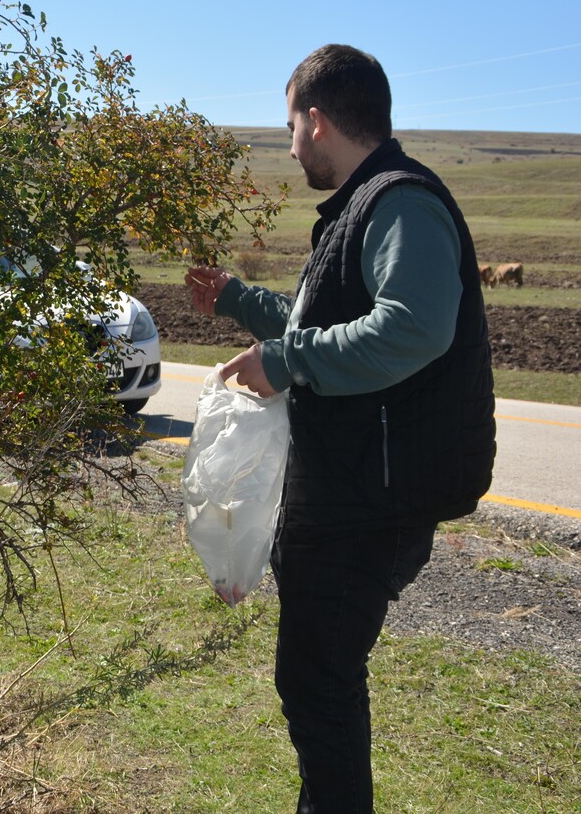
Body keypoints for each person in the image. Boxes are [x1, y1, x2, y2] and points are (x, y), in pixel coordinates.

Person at [185, 44, 495, 813]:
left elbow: (412, 329)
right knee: (317, 683)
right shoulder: (366, 208)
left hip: (373, 501)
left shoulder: (401, 203)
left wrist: (286, 362)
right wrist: (238, 300)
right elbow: (323, 319)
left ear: (317, 121)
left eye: (290, 126)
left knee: (320, 687)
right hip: (353, 490)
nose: (290, 147)